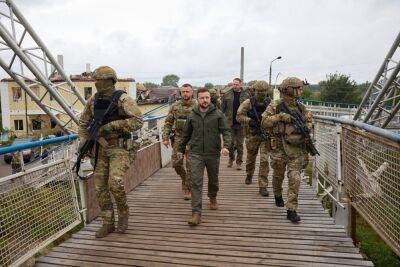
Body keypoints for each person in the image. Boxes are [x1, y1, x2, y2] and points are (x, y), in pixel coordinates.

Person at [78, 66, 143, 237]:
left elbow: (138, 121)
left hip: (119, 148)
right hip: (100, 149)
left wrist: (112, 126)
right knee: (100, 187)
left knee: (115, 183)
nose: (95, 83)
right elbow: (83, 124)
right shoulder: (93, 101)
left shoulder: (123, 99)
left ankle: (123, 215)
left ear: (107, 80)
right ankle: (108, 223)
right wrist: (84, 142)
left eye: (97, 79)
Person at [261, 77, 313, 223]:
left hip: (296, 149)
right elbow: (264, 122)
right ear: (289, 89)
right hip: (279, 148)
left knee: (295, 178)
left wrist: (306, 127)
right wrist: (280, 117)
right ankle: (277, 194)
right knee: (278, 175)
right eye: (298, 88)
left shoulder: (301, 108)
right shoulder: (276, 105)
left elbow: (309, 120)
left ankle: (291, 209)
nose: (301, 91)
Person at [178, 88, 231, 226]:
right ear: (198, 99)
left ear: (210, 98)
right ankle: (196, 213)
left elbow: (226, 132)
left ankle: (212, 196)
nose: (205, 100)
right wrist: (180, 149)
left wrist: (226, 146)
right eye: (202, 98)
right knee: (196, 182)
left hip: (213, 153)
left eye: (207, 98)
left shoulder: (218, 114)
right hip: (195, 153)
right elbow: (185, 134)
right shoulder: (192, 115)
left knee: (213, 180)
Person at [236, 80, 272, 196]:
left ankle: (263, 186)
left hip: (265, 135)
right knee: (251, 157)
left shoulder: (271, 103)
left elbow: (276, 117)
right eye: (259, 91)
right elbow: (239, 116)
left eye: (263, 91)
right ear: (255, 91)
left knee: (264, 160)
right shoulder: (248, 103)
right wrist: (249, 121)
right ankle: (249, 174)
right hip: (252, 134)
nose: (261, 93)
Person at [162, 84, 196, 200]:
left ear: (192, 92)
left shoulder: (198, 106)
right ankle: (185, 178)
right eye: (183, 91)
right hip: (179, 139)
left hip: (193, 139)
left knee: (191, 165)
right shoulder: (175, 106)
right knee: (176, 163)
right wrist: (165, 137)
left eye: (188, 91)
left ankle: (188, 188)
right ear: (180, 93)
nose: (185, 93)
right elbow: (168, 122)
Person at [221, 78, 249, 170]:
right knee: (230, 144)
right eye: (233, 84)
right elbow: (222, 109)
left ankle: (239, 162)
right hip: (230, 123)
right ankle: (231, 158)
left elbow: (249, 109)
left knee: (240, 144)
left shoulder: (246, 95)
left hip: (241, 123)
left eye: (236, 84)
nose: (235, 86)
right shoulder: (227, 94)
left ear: (240, 84)